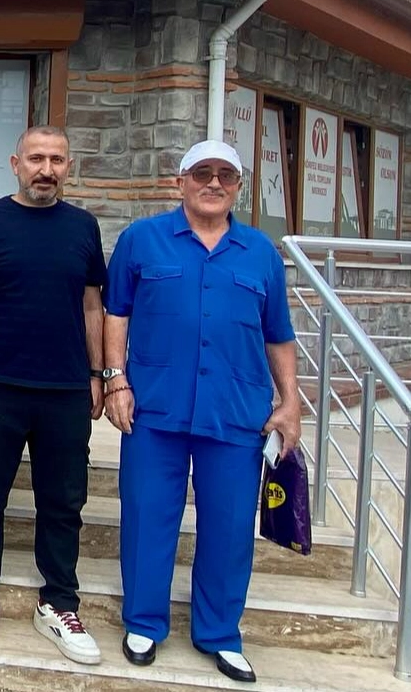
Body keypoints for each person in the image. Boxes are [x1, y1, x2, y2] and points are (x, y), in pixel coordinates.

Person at [104, 139, 301, 685]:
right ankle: (144, 622)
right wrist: (115, 380)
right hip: (155, 405)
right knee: (147, 516)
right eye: (202, 173)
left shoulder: (260, 252)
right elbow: (115, 312)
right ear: (181, 181)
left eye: (226, 176)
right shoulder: (142, 239)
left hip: (236, 411)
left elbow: (278, 334)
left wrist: (290, 402)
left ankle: (220, 634)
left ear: (239, 187)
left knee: (230, 527)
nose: (214, 183)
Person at [0, 126, 107, 666]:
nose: (46, 169)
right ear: (16, 164)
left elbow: (92, 304)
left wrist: (98, 373)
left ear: (68, 167)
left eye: (56, 160)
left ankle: (59, 604)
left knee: (63, 502)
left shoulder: (83, 227)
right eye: (36, 158)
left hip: (65, 386)